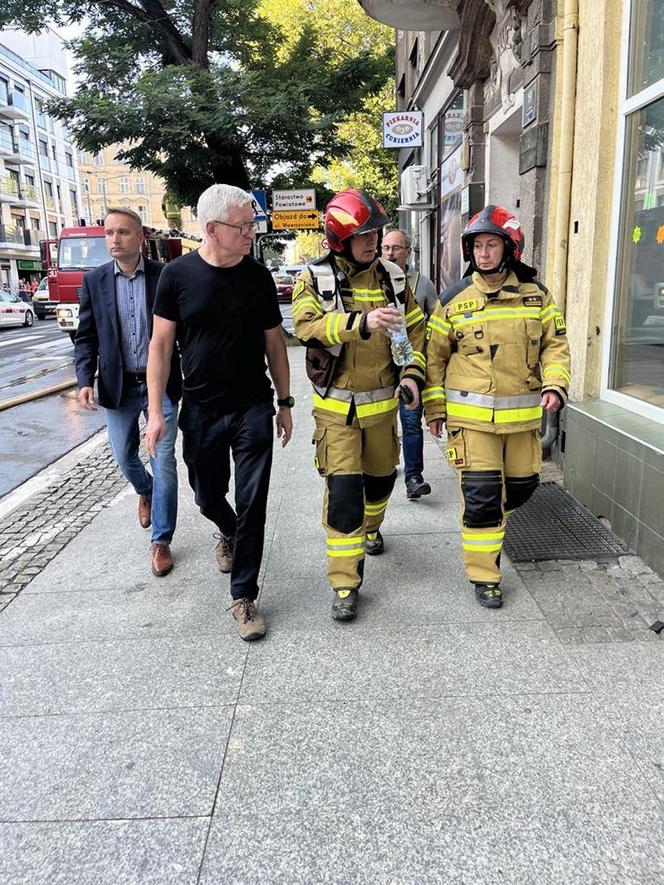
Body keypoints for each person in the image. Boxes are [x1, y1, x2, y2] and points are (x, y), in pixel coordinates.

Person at [146, 184, 292, 643]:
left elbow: (275, 343)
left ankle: (244, 594)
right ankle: (226, 530)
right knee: (207, 494)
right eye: (244, 226)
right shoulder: (176, 276)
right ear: (212, 229)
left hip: (252, 406)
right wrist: (155, 413)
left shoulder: (258, 278)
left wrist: (285, 403)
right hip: (202, 409)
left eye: (253, 224)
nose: (252, 232)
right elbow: (161, 347)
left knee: (254, 504)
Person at [424, 206, 571, 609]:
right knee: (484, 497)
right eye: (476, 246)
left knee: (522, 487)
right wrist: (434, 410)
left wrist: (556, 385)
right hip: (470, 423)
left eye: (491, 245)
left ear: (510, 248)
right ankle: (485, 575)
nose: (483, 253)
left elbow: (556, 347)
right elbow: (433, 358)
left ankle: (486, 516)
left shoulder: (536, 295)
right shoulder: (453, 298)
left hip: (522, 421)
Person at [293, 189, 426, 622]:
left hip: (383, 411)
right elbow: (306, 324)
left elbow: (416, 332)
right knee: (344, 498)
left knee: (382, 485)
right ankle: (345, 582)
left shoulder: (394, 277)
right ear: (339, 238)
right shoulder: (315, 278)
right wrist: (360, 323)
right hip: (337, 413)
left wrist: (411, 374)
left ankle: (372, 529)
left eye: (376, 232)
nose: (373, 241)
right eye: (364, 234)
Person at [75, 207, 181, 578]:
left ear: (140, 238)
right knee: (123, 456)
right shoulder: (95, 282)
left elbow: (182, 331)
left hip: (161, 386)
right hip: (118, 387)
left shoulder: (164, 276)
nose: (114, 239)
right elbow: (85, 336)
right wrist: (84, 379)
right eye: (108, 233)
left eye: (122, 232)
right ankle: (145, 490)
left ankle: (161, 539)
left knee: (163, 461)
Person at [382, 228, 438, 500]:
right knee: (381, 425)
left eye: (396, 248)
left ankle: (414, 477)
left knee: (412, 421)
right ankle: (382, 469)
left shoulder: (422, 285)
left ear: (408, 252)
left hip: (409, 367)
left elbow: (436, 325)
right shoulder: (375, 281)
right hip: (380, 369)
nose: (390, 253)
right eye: (387, 248)